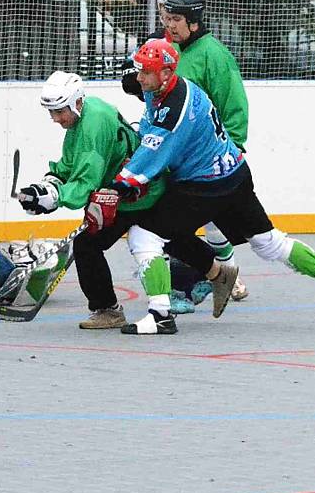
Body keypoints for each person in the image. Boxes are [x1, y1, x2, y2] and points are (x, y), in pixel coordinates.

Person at [110, 38, 315, 335]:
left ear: (164, 74)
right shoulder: (166, 87)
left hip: (205, 186)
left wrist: (122, 184)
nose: (138, 78)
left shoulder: (177, 108)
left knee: (144, 235)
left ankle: (161, 315)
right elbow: (152, 128)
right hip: (234, 174)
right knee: (269, 242)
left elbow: (156, 149)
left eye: (144, 73)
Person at [16, 71, 213, 329]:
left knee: (88, 245)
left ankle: (108, 310)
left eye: (59, 111)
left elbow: (86, 182)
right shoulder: (87, 112)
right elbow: (71, 165)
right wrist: (46, 185)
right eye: (51, 112)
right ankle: (216, 269)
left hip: (134, 192)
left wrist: (54, 197)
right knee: (167, 236)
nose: (55, 119)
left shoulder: (92, 125)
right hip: (133, 189)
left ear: (76, 102)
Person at [124, 0, 251, 302]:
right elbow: (147, 82)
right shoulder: (163, 43)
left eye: (171, 14)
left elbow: (233, 103)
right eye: (163, 11)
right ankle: (208, 277)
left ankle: (209, 279)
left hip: (205, 153)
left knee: (206, 223)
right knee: (178, 221)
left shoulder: (213, 55)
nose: (166, 21)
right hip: (174, 151)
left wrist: (233, 146)